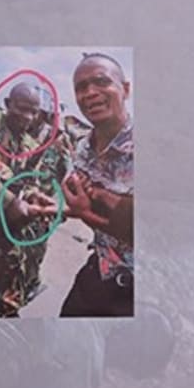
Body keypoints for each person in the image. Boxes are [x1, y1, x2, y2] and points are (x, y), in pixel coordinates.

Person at [0, 80, 74, 317]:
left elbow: (24, 181)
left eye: (33, 112)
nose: (28, 117)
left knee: (29, 241)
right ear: (8, 104)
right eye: (22, 108)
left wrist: (34, 198)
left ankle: (9, 299)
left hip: (0, 216)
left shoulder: (28, 144)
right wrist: (6, 200)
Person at [59, 54, 136, 318]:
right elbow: (80, 202)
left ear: (125, 89)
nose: (90, 93)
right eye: (81, 88)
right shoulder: (82, 149)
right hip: (100, 270)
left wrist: (86, 213)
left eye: (101, 82)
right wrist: (51, 208)